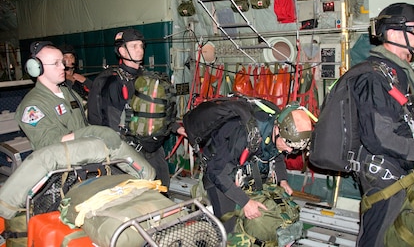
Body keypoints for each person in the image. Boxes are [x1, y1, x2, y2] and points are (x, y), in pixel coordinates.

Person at [349, 2, 414, 247]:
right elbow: (380, 137)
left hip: (407, 179)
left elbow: (410, 124)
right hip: (388, 185)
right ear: (394, 33)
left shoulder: (397, 75)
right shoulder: (375, 77)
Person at [87, 28, 186, 193]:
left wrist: (177, 127)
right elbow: (108, 126)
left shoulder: (149, 78)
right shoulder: (111, 82)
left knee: (161, 193)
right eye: (133, 46)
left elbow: (158, 113)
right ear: (121, 50)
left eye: (141, 46)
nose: (139, 50)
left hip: (153, 150)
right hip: (127, 155)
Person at [197, 100, 312, 233]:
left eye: (294, 148)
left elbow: (276, 152)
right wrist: (245, 202)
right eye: (288, 144)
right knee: (227, 228)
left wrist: (282, 180)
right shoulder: (243, 135)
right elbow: (215, 172)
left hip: (247, 170)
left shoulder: (276, 128)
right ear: (276, 129)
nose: (290, 151)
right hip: (219, 173)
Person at [15, 41, 120, 152]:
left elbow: (84, 123)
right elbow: (46, 144)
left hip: (85, 151)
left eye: (62, 62)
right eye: (56, 63)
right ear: (36, 68)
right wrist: (92, 132)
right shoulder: (32, 106)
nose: (63, 67)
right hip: (62, 160)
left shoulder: (69, 93)